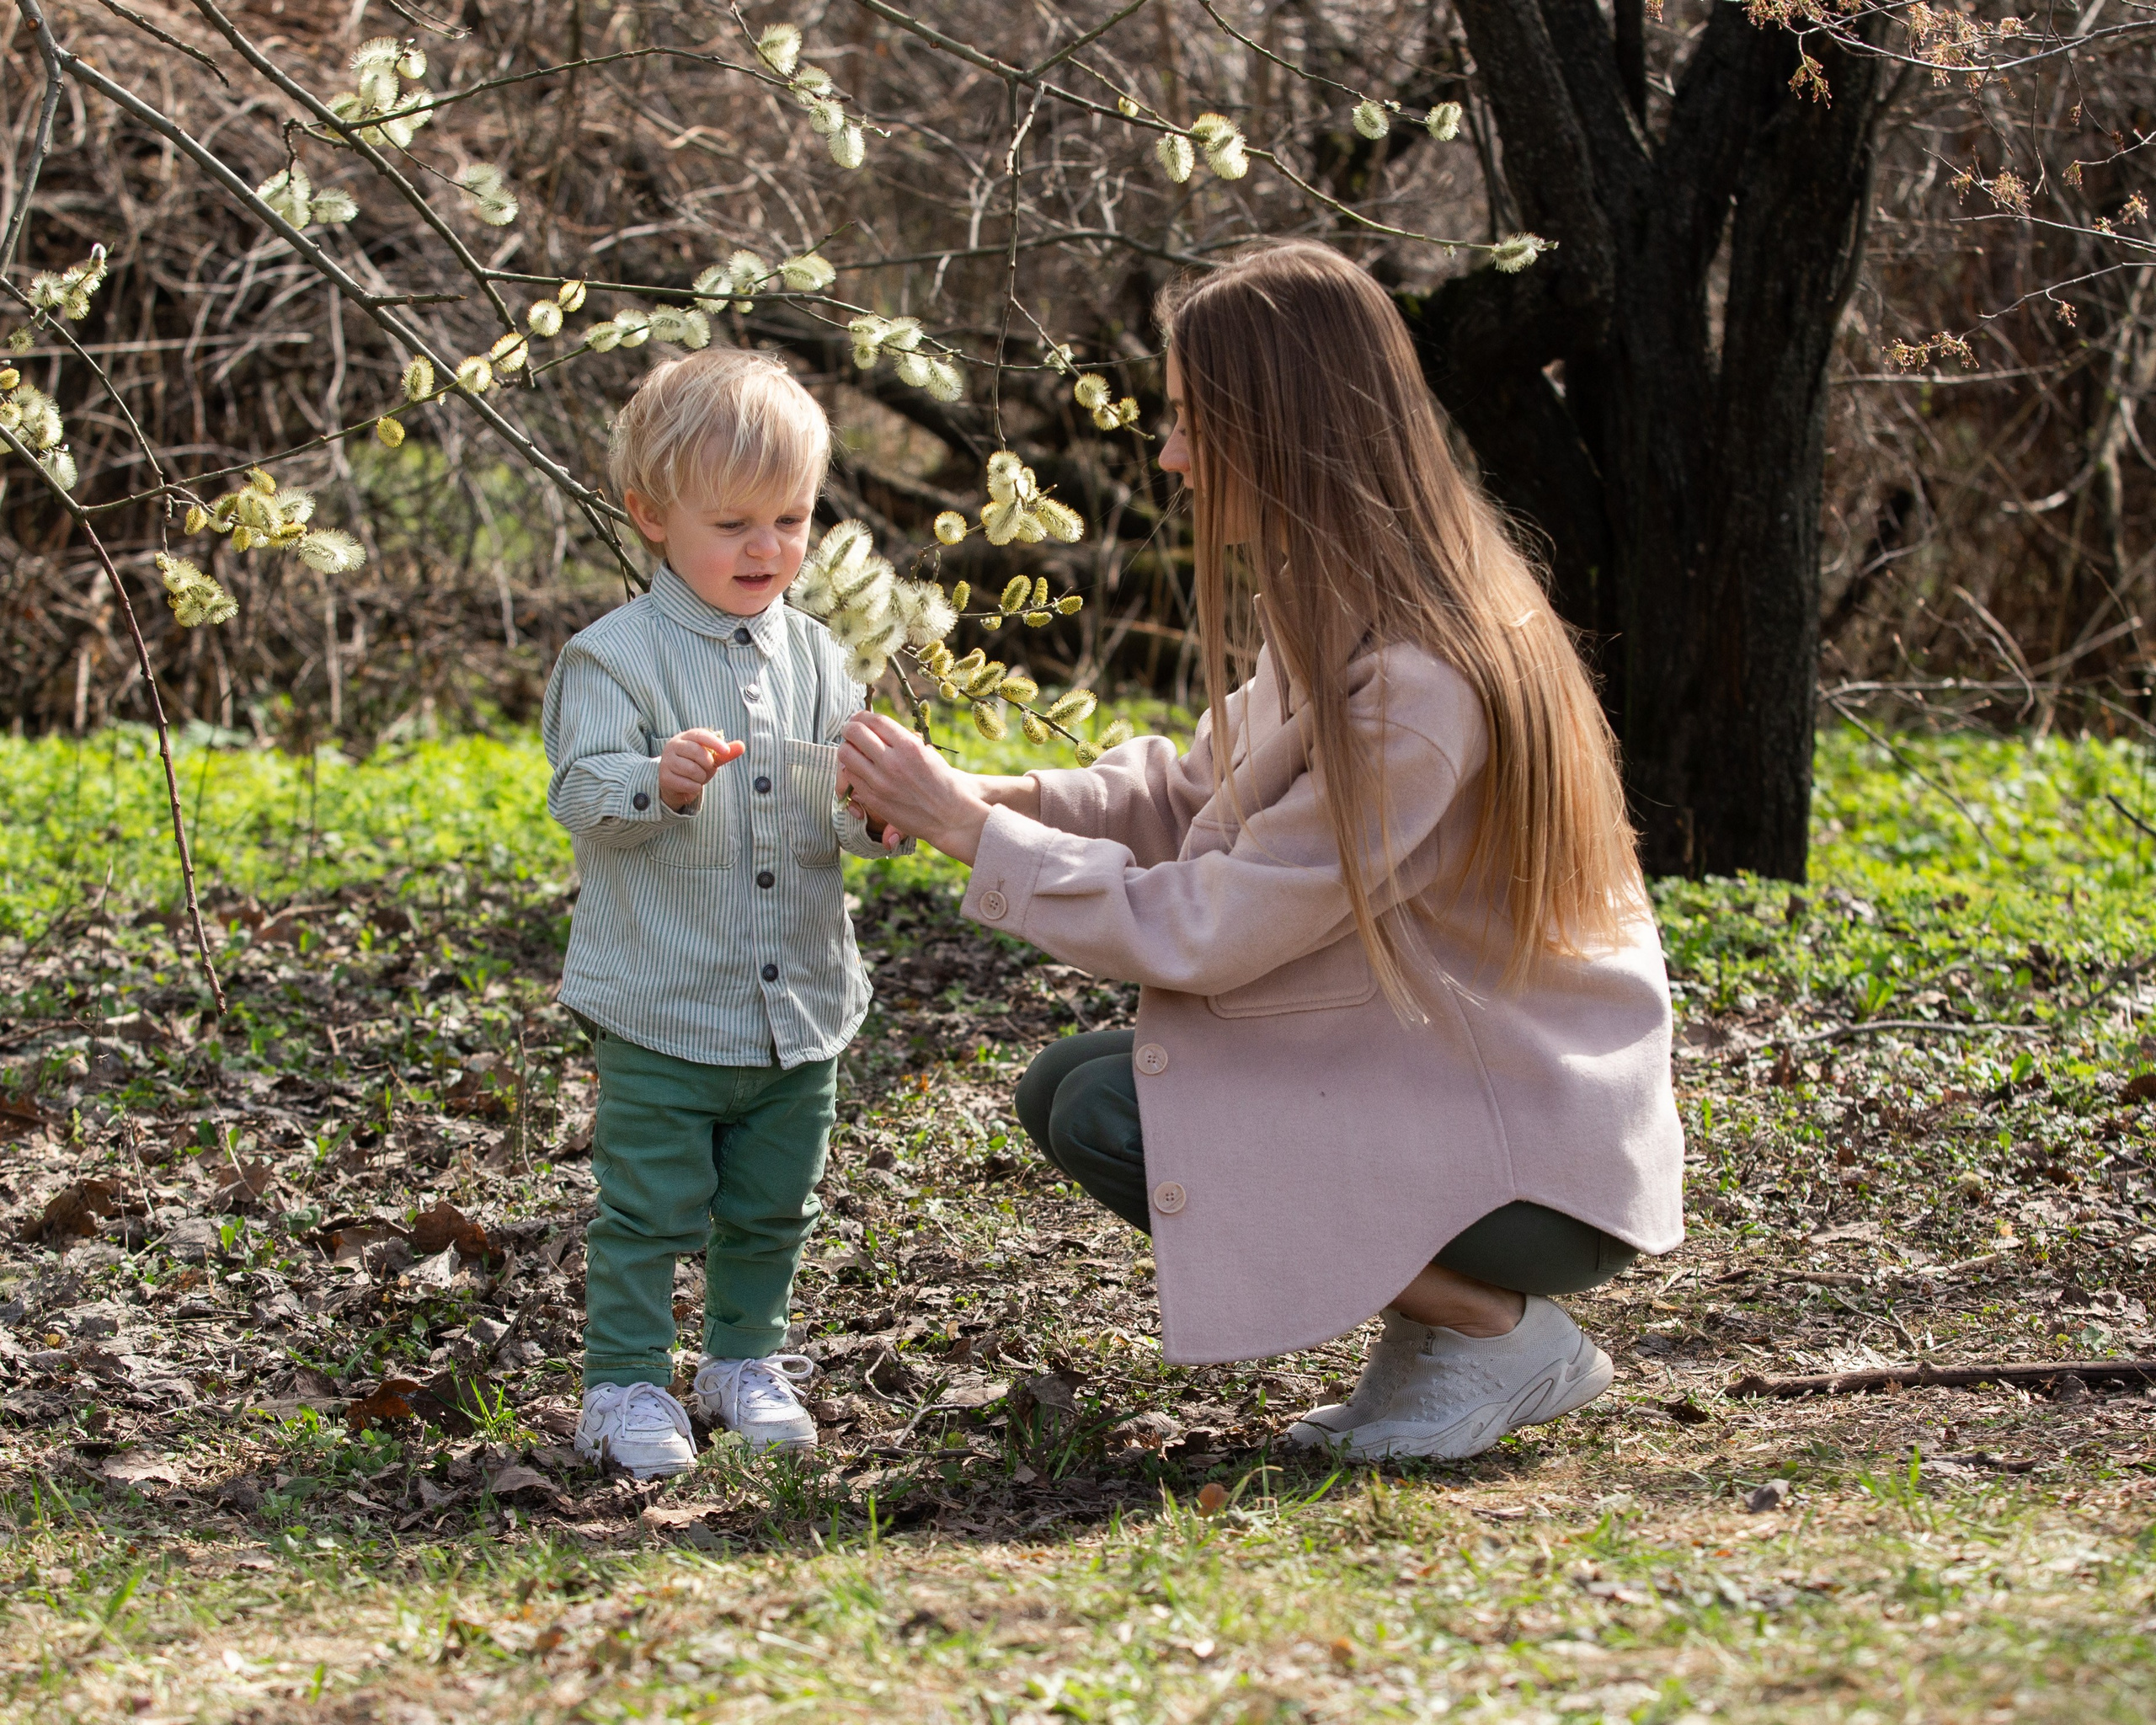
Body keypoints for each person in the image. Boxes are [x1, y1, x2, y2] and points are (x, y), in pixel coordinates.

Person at [837, 240, 1684, 1460]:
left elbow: (1217, 930)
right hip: (1451, 1082)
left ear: (1286, 426)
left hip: (1533, 1154)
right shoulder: (1348, 597)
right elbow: (1193, 791)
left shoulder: (1419, 678)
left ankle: (1497, 1324)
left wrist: (974, 834)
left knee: (1123, 1116)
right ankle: (1448, 1336)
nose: (1171, 456)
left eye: (1192, 421)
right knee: (1078, 1085)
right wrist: (981, 792)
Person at [542, 347, 899, 1477]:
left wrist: (877, 812)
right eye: (735, 522)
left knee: (773, 1209)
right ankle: (627, 1381)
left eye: (791, 520)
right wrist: (657, 778)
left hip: (797, 1002)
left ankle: (744, 1359)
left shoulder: (820, 658)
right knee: (648, 1208)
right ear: (652, 517)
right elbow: (579, 792)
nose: (768, 550)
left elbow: (836, 803)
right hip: (662, 1000)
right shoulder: (614, 659)